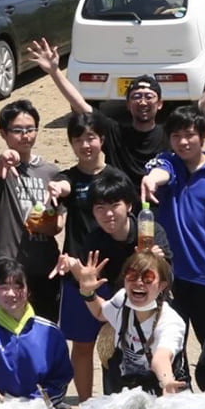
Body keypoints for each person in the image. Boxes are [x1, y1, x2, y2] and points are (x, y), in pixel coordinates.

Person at [27, 36, 205, 181]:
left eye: (149, 97)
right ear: (128, 104)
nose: (143, 102)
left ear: (160, 103)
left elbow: (203, 104)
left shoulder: (169, 132)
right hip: (122, 211)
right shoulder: (115, 132)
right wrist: (55, 72)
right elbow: (81, 106)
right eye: (136, 97)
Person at [139, 106, 205, 337]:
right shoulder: (167, 163)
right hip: (168, 276)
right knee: (167, 344)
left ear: (203, 136)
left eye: (189, 135)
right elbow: (158, 169)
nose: (183, 142)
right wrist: (152, 179)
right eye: (176, 136)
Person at [50, 170, 141, 397]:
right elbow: (93, 284)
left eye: (114, 205)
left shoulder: (147, 233)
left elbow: (163, 273)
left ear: (129, 205)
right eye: (100, 208)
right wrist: (77, 270)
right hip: (108, 297)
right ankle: (87, 405)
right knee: (92, 347)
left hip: (140, 304)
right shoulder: (94, 239)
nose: (108, 214)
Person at [47, 114, 116, 396]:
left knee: (118, 343)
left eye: (91, 137)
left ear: (102, 139)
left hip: (113, 272)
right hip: (77, 273)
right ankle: (87, 404)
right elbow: (63, 186)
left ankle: (115, 400)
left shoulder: (116, 177)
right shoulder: (69, 178)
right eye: (78, 140)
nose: (85, 145)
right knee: (83, 345)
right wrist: (57, 189)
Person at [58, 246, 189, 395]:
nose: (139, 282)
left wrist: (166, 382)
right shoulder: (122, 299)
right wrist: (88, 292)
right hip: (127, 387)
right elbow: (101, 312)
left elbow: (161, 358)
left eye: (148, 278)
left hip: (163, 390)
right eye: (132, 275)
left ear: (162, 286)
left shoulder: (171, 321)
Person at [0, 100, 63, 319]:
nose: (25, 135)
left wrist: (49, 223)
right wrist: (5, 160)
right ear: (3, 133)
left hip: (46, 266)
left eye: (30, 129)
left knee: (44, 333)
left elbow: (59, 224)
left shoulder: (51, 172)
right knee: (1, 334)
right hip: (9, 267)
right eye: (17, 130)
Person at [0, 264, 72, 402]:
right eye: (4, 287)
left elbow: (60, 378)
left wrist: (36, 402)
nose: (11, 293)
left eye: (18, 286)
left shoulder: (50, 332)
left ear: (29, 291)